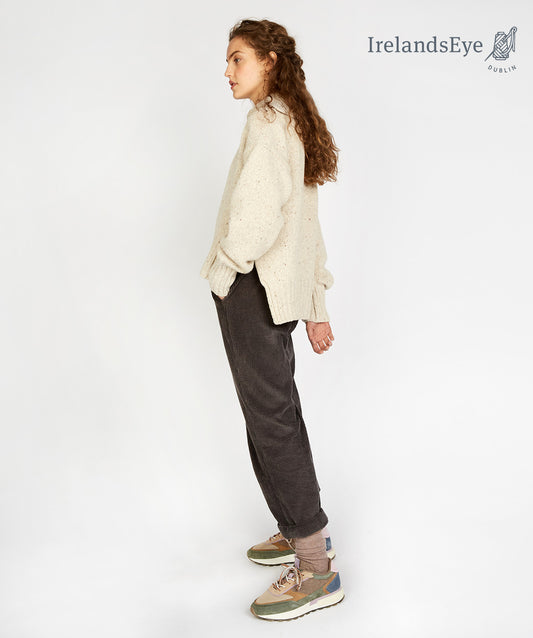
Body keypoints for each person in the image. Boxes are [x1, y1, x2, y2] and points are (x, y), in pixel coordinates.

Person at [200, 18, 344, 621]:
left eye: (237, 58)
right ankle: (296, 526)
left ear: (269, 61)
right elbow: (306, 227)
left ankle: (314, 568)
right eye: (228, 60)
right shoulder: (287, 120)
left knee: (271, 422)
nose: (227, 71)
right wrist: (315, 305)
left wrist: (223, 268)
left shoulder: (270, 125)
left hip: (252, 291)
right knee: (276, 415)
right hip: (272, 294)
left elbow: (259, 224)